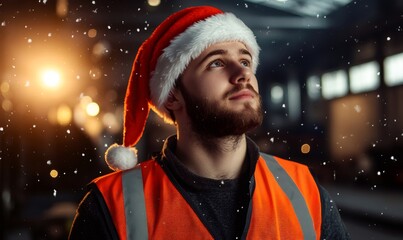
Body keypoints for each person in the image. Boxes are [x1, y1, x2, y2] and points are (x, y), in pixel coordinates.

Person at [69, 6, 350, 240]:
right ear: (173, 96)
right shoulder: (110, 205)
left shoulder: (305, 191)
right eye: (216, 63)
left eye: (245, 60)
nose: (242, 73)